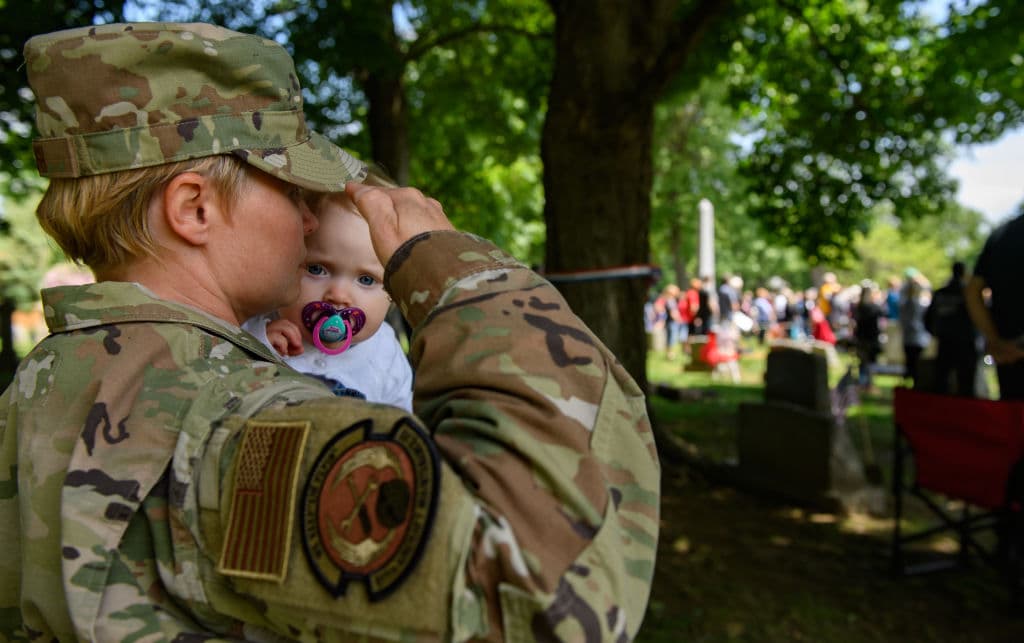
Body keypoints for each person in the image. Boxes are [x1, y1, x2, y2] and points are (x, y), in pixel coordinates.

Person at [0, 22, 659, 642]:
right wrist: (463, 276)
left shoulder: (38, 385)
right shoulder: (241, 420)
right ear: (194, 208)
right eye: (292, 190)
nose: (314, 221)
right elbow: (549, 604)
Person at [243, 177, 413, 411]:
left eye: (366, 279)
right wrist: (256, 349)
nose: (338, 295)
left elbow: (400, 422)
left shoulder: (386, 354)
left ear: (394, 291)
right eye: (317, 269)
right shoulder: (254, 330)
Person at [965, 211, 1024, 400]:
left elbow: (973, 291)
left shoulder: (1003, 234)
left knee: (1013, 424)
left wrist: (996, 339)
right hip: (1010, 352)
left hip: (1008, 353)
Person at [924, 260, 980, 397]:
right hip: (965, 342)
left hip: (945, 341)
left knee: (941, 380)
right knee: (965, 383)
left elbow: (927, 318)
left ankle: (941, 410)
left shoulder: (941, 294)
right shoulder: (968, 294)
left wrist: (936, 333)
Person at [899, 271, 932, 386]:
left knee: (910, 362)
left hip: (910, 337)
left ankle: (911, 383)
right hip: (917, 338)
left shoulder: (906, 303)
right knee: (915, 363)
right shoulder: (916, 304)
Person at [853, 281, 884, 392]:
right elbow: (883, 312)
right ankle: (868, 385)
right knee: (870, 363)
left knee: (862, 362)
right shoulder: (874, 307)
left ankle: (863, 384)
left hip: (861, 338)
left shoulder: (858, 307)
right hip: (871, 338)